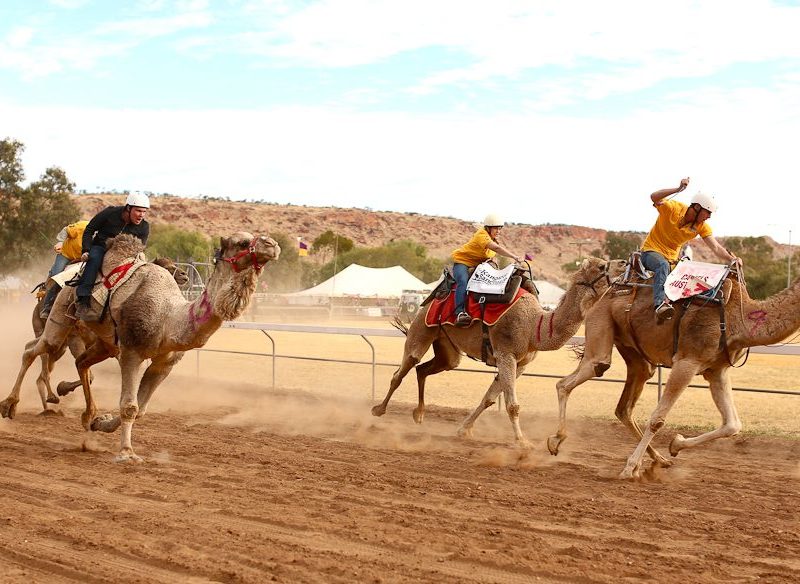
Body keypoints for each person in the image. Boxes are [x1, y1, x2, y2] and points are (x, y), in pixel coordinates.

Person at [641, 177, 739, 321]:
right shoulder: (673, 208)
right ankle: (660, 305)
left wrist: (732, 259)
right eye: (708, 212)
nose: (709, 217)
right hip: (651, 252)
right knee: (662, 265)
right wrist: (677, 189)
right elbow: (653, 197)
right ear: (697, 208)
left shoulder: (702, 226)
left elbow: (716, 247)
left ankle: (704, 314)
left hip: (672, 262)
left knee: (698, 281)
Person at [75, 193, 151, 315]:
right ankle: (83, 299)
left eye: (144, 211)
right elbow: (89, 230)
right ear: (128, 208)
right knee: (94, 259)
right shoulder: (109, 213)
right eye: (138, 211)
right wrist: (86, 250)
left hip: (124, 256)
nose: (141, 215)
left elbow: (140, 248)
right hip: (101, 247)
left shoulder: (144, 227)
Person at [450, 213, 523, 326]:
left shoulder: (493, 239)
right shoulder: (482, 235)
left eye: (499, 228)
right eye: (495, 228)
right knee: (463, 282)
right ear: (488, 228)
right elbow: (496, 248)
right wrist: (514, 257)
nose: (498, 231)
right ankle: (460, 313)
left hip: (478, 265)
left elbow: (491, 252)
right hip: (463, 263)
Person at [39, 220, 89, 319]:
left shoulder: (102, 235)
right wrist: (60, 242)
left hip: (83, 259)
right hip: (67, 255)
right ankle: (46, 307)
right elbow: (66, 230)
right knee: (56, 275)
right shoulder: (82, 226)